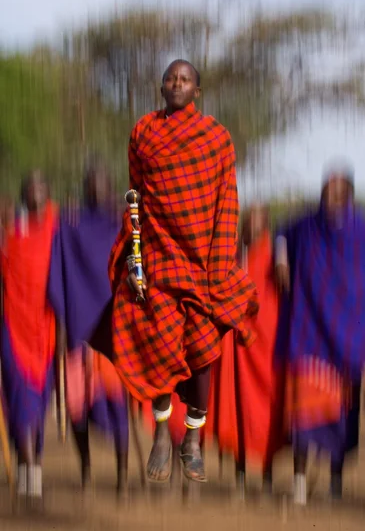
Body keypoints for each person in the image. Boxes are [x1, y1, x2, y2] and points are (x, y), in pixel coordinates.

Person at [108, 59, 258, 483]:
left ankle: (193, 438)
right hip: (158, 258)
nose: (177, 83)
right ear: (161, 88)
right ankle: (161, 431)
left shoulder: (216, 138)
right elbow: (135, 201)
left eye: (185, 79)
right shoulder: (143, 132)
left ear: (198, 90)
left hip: (203, 262)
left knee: (204, 354)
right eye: (171, 78)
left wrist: (220, 265)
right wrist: (135, 262)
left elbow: (228, 201)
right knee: (157, 344)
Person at [275, 165, 365, 505]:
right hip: (310, 337)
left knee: (342, 420)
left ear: (350, 196)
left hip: (346, 345)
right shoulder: (306, 226)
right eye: (327, 191)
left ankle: (335, 485)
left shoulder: (361, 231)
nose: (331, 198)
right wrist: (282, 260)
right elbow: (280, 234)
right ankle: (298, 487)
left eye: (338, 192)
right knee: (303, 416)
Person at [48, 164, 129, 492]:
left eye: (103, 184)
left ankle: (123, 476)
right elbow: (57, 271)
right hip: (79, 330)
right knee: (77, 407)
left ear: (110, 187)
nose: (98, 190)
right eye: (92, 185)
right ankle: (85, 470)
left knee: (117, 406)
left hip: (112, 331)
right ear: (85, 188)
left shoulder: (120, 225)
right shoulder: (70, 224)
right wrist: (63, 319)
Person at [205, 204, 284, 494]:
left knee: (266, 414)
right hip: (237, 351)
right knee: (236, 410)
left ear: (265, 226)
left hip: (264, 350)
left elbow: (273, 303)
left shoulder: (274, 259)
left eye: (256, 222)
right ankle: (238, 476)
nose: (249, 228)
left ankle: (266, 477)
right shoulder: (232, 259)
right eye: (246, 222)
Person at [0, 170, 58, 499]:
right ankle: (30, 472)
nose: (35, 189)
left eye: (40, 183)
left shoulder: (57, 231)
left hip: (46, 332)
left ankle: (31, 467)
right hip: (11, 328)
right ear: (23, 194)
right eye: (29, 185)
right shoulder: (10, 236)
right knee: (20, 401)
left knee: (38, 403)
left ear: (47, 192)